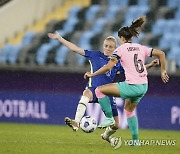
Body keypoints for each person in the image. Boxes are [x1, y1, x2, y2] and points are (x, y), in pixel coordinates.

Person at [84, 16, 169, 147]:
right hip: (143, 86)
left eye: (119, 38)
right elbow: (161, 53)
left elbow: (108, 67)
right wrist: (162, 71)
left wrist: (92, 74)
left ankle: (108, 118)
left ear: (121, 38)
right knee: (129, 110)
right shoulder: (140, 47)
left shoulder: (120, 49)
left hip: (132, 86)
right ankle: (135, 141)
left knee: (99, 90)